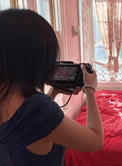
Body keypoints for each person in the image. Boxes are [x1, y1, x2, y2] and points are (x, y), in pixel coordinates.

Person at [0, 9, 103, 166]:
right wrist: (90, 89)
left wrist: (53, 91)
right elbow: (95, 140)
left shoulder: (23, 106)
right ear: (37, 58)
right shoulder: (38, 109)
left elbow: (34, 126)